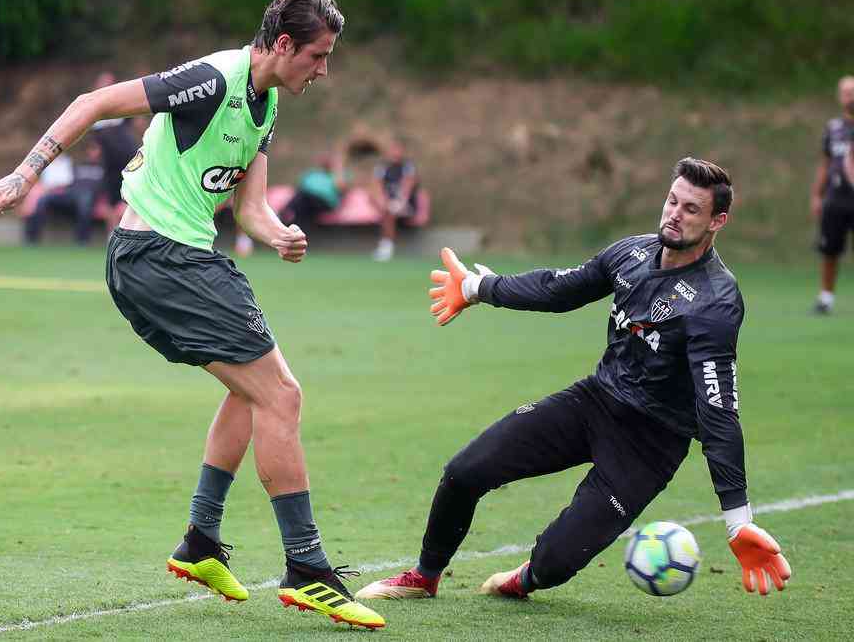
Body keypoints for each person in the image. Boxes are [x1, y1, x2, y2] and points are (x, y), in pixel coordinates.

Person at [0, 0, 384, 630]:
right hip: (156, 256)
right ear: (283, 44)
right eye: (317, 55)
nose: (324, 70)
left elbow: (249, 209)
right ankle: (307, 567)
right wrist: (27, 173)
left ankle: (200, 541)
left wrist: (278, 233)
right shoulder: (215, 79)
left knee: (253, 391)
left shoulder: (266, 106)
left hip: (183, 258)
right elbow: (95, 101)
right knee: (282, 394)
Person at [356, 158, 791, 605]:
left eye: (692, 209)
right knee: (465, 471)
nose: (675, 214)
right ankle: (424, 577)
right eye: (672, 201)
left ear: (719, 221)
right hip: (594, 402)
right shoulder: (631, 254)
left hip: (649, 446)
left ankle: (525, 577)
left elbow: (717, 409)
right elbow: (559, 289)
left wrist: (738, 521)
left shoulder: (715, 300)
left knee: (555, 563)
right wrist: (477, 289)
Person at [810, 75, 854, 314]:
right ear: (840, 97)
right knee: (829, 250)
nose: (850, 97)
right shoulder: (834, 128)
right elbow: (825, 164)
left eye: (853, 92)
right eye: (846, 92)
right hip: (836, 198)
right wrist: (817, 195)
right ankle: (826, 298)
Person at [23, 141, 105, 245]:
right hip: (71, 193)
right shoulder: (78, 165)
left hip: (90, 196)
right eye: (92, 149)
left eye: (96, 150)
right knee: (43, 200)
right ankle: (32, 239)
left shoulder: (104, 168)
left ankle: (82, 240)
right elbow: (67, 181)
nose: (94, 152)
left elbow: (107, 187)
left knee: (85, 200)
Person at [90, 71, 141, 232]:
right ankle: (113, 235)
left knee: (134, 195)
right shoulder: (92, 110)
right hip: (109, 161)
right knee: (111, 200)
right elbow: (94, 141)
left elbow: (136, 121)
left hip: (128, 157)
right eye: (104, 83)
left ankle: (134, 233)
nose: (107, 86)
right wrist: (94, 151)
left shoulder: (121, 103)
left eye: (110, 83)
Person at [369, 138, 419, 262]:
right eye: (392, 150)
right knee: (387, 210)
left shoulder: (407, 166)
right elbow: (377, 186)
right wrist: (382, 201)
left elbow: (408, 185)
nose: (395, 153)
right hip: (389, 204)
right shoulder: (383, 167)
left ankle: (387, 247)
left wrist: (401, 201)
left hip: (406, 203)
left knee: (389, 212)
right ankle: (386, 245)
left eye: (397, 150)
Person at [280, 149, 349, 228]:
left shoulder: (340, 175)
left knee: (303, 202)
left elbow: (341, 188)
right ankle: (291, 221)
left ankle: (285, 217)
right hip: (307, 200)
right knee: (302, 202)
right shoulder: (312, 173)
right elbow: (300, 187)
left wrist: (338, 169)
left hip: (325, 203)